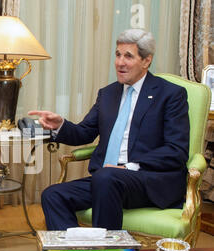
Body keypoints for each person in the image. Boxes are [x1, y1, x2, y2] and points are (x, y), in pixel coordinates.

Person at [29, 29, 190, 231]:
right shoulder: (107, 94)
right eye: (118, 54)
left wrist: (130, 167)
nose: (120, 62)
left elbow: (176, 150)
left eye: (128, 56)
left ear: (146, 61)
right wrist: (60, 124)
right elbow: (84, 132)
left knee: (106, 177)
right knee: (53, 195)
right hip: (105, 181)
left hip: (147, 180)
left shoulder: (170, 94)